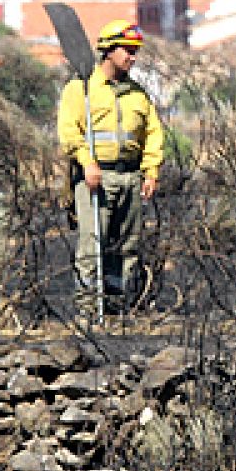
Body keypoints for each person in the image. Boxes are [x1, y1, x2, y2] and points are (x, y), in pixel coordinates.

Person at [57, 18, 165, 313]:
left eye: (135, 51)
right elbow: (69, 131)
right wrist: (86, 162)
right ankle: (89, 310)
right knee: (93, 247)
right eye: (126, 50)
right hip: (96, 176)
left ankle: (118, 305)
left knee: (126, 246)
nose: (132, 57)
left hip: (131, 177)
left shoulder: (138, 94)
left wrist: (151, 170)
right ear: (108, 50)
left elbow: (153, 133)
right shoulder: (81, 89)